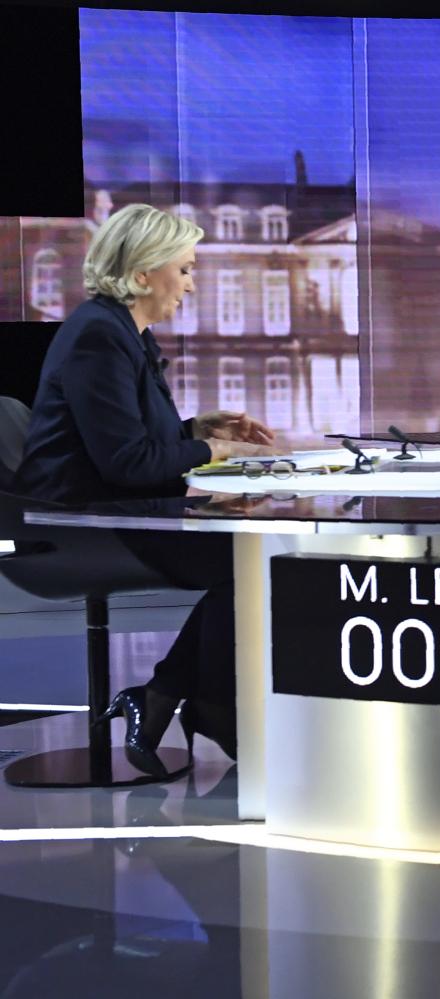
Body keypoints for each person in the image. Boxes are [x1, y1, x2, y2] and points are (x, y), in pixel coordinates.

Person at [12, 202, 279, 777]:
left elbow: (132, 444)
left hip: (112, 511)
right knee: (248, 558)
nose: (190, 283)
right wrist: (215, 453)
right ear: (140, 274)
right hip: (74, 527)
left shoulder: (123, 333)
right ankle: (196, 707)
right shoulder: (98, 337)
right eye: (182, 269)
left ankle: (167, 699)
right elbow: (128, 463)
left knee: (250, 554)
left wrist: (197, 431)